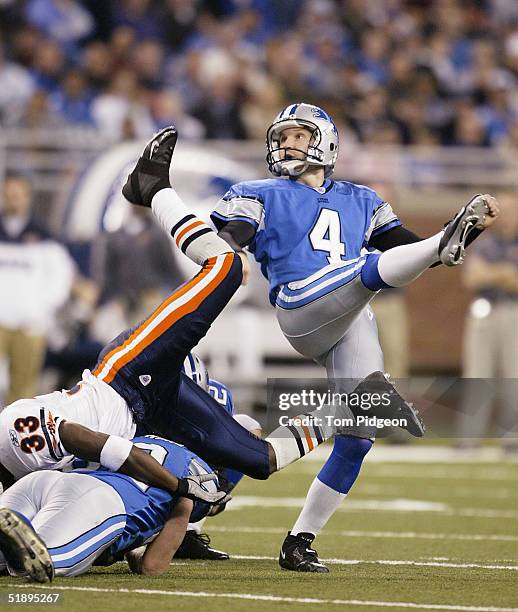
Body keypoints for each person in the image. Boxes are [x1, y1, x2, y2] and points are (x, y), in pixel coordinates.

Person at [0, 127, 373, 511]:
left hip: (125, 374)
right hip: (147, 410)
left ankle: (153, 189)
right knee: (262, 460)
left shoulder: (12, 437)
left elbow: (107, 449)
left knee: (226, 266)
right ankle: (347, 406)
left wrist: (182, 486)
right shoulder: (26, 495)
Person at [210, 102, 500, 572]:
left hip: (352, 314)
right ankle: (442, 241)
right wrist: (229, 254)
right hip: (301, 305)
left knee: (360, 430)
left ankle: (300, 540)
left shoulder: (361, 199)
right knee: (368, 271)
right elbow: (231, 236)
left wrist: (460, 239)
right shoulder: (258, 192)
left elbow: (402, 247)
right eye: (282, 136)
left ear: (324, 142)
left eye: (298, 136)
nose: (286, 144)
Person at [0, 435, 219, 581]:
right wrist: (186, 502)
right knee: (43, 563)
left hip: (48, 481)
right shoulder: (188, 486)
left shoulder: (137, 440)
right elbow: (152, 567)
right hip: (99, 499)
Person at [0, 173, 74, 405]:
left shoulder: (43, 234)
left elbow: (62, 276)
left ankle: (12, 440)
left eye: (18, 195)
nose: (13, 200)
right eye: (9, 195)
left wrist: (41, 309)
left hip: (30, 323)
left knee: (22, 391)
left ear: (28, 197)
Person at [457, 191, 518, 451]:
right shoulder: (483, 242)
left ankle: (512, 438)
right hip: (483, 311)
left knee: (513, 377)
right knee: (477, 376)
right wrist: (503, 273)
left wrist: (491, 274)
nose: (504, 218)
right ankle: (469, 438)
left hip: (513, 312)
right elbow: (471, 279)